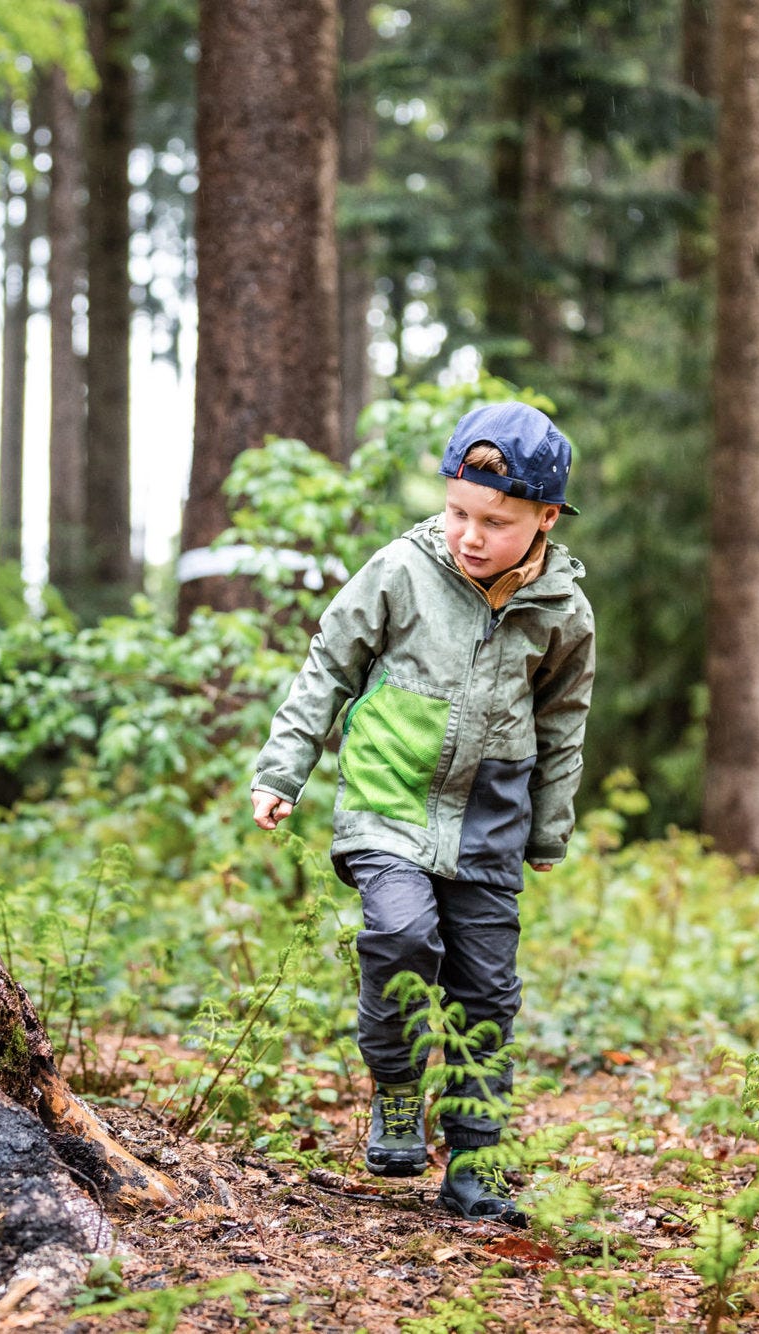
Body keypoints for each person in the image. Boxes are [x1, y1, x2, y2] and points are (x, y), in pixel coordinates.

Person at [249, 401, 594, 1223]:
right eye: (457, 512)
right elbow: (329, 665)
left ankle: (478, 1162)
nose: (470, 535)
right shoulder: (402, 570)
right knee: (402, 938)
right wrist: (283, 771)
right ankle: (398, 1088)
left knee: (487, 990)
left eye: (495, 521)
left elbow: (563, 723)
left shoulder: (563, 612)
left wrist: (547, 828)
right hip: (388, 805)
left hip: (492, 819)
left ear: (545, 518)